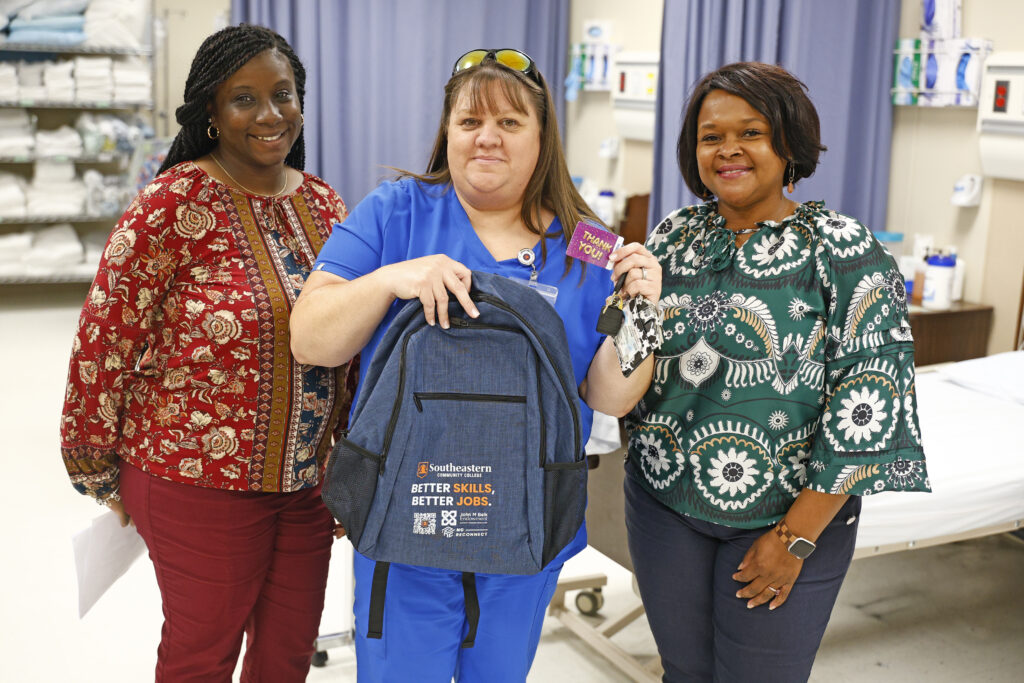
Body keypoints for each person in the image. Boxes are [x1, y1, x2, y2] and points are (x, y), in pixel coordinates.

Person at [289, 48, 660, 682]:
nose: (487, 138)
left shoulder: (584, 242)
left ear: (542, 138)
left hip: (523, 527)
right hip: (406, 520)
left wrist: (642, 311)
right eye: (469, 122)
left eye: (510, 123)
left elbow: (610, 396)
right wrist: (390, 279)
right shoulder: (396, 212)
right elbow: (311, 339)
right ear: (447, 133)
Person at [59, 24, 356, 682]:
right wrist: (98, 469)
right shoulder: (168, 206)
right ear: (212, 115)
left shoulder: (325, 204)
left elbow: (351, 329)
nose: (270, 114)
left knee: (286, 655)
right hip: (194, 483)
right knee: (202, 655)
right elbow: (103, 344)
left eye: (283, 94)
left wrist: (351, 454)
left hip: (305, 483)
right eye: (244, 98)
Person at [623, 61, 930, 683]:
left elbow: (869, 402)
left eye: (751, 133)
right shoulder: (674, 238)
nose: (728, 150)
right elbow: (634, 354)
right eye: (711, 137)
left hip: (784, 516)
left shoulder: (843, 248)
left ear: (788, 143)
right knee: (682, 671)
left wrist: (794, 538)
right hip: (662, 505)